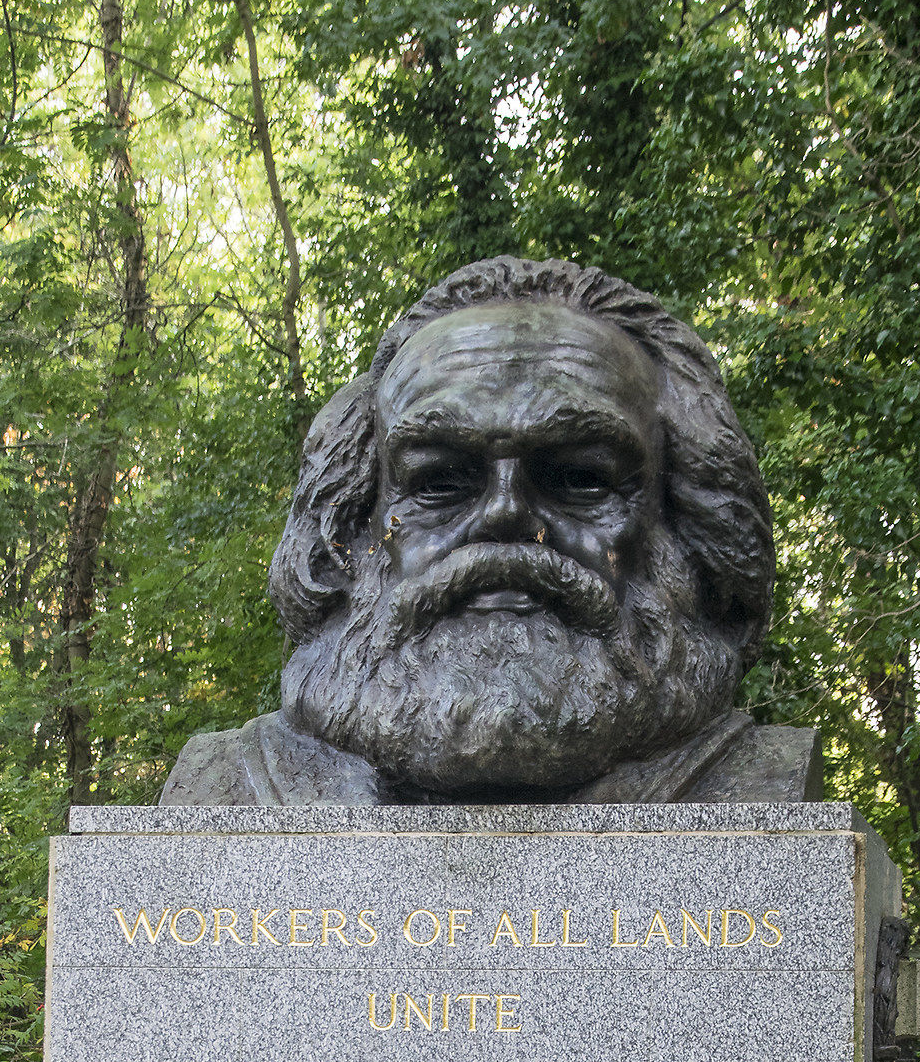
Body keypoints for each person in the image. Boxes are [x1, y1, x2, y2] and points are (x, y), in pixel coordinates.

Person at [160, 255, 819, 807]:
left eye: (578, 478)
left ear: (685, 521)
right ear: (350, 528)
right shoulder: (230, 791)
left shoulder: (767, 788)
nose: (506, 515)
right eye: (442, 481)